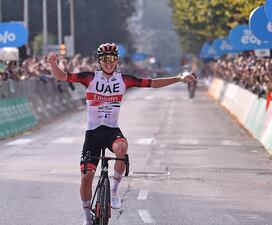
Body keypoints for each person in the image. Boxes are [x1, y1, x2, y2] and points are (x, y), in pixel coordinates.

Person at [46, 43, 196, 225]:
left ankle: (114, 192)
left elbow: (152, 83)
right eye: (105, 59)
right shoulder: (89, 78)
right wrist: (53, 64)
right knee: (86, 179)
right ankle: (86, 216)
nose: (108, 63)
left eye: (112, 59)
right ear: (99, 61)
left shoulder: (124, 80)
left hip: (111, 131)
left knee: (122, 147)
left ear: (116, 61)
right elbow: (62, 76)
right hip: (92, 134)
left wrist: (179, 78)